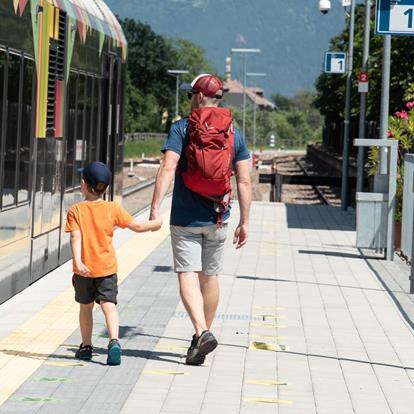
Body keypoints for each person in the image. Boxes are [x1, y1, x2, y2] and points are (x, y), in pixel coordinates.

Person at [150, 74, 252, 365]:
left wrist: (156, 206)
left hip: (184, 218)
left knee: (187, 274)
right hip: (219, 217)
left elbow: (168, 167)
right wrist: (245, 221)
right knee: (210, 277)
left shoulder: (182, 128)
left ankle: (202, 332)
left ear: (196, 96)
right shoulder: (234, 132)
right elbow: (244, 181)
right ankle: (199, 341)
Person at [65, 161, 162, 365]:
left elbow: (75, 237)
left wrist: (79, 261)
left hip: (84, 271)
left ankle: (86, 347)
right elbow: (136, 226)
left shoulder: (75, 210)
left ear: (84, 184)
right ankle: (114, 342)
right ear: (106, 187)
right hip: (107, 269)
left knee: (85, 307)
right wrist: (156, 223)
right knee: (109, 306)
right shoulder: (112, 208)